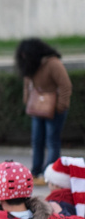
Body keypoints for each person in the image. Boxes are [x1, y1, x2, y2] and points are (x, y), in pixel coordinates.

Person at [15, 38, 72, 184]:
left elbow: (66, 85)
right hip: (37, 109)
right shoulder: (30, 66)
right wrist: (27, 100)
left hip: (54, 110)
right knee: (37, 140)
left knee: (52, 140)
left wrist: (60, 106)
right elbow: (27, 84)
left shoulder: (52, 63)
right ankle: (35, 171)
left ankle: (49, 174)